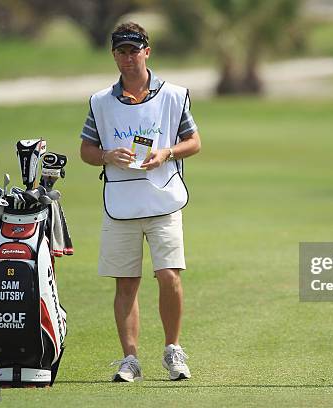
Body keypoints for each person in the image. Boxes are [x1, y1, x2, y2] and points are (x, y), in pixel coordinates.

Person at [80, 21, 201, 382]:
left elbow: (194, 142)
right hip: (121, 203)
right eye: (121, 51)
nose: (128, 57)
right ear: (114, 55)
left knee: (169, 277)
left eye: (134, 50)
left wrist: (166, 152)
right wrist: (105, 156)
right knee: (126, 283)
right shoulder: (100, 102)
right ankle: (130, 358)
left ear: (147, 51)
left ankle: (173, 350)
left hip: (162, 198)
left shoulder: (174, 95)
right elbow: (86, 150)